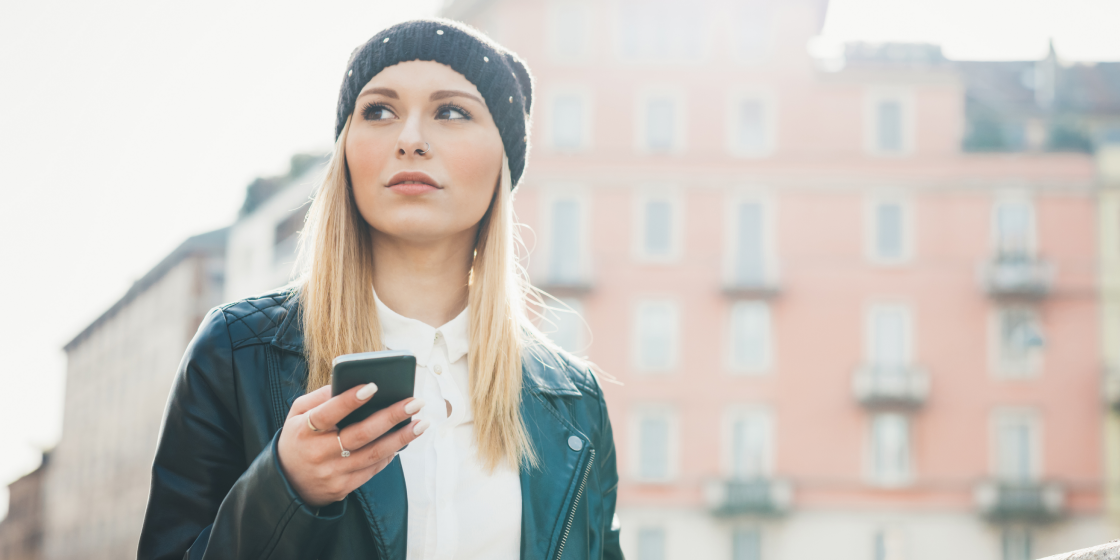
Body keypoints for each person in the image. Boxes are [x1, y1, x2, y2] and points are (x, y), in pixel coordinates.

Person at [137, 18, 623, 560]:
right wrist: (283, 488)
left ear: (504, 163)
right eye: (379, 111)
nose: (410, 139)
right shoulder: (237, 350)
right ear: (346, 150)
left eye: (452, 112)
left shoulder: (573, 399)